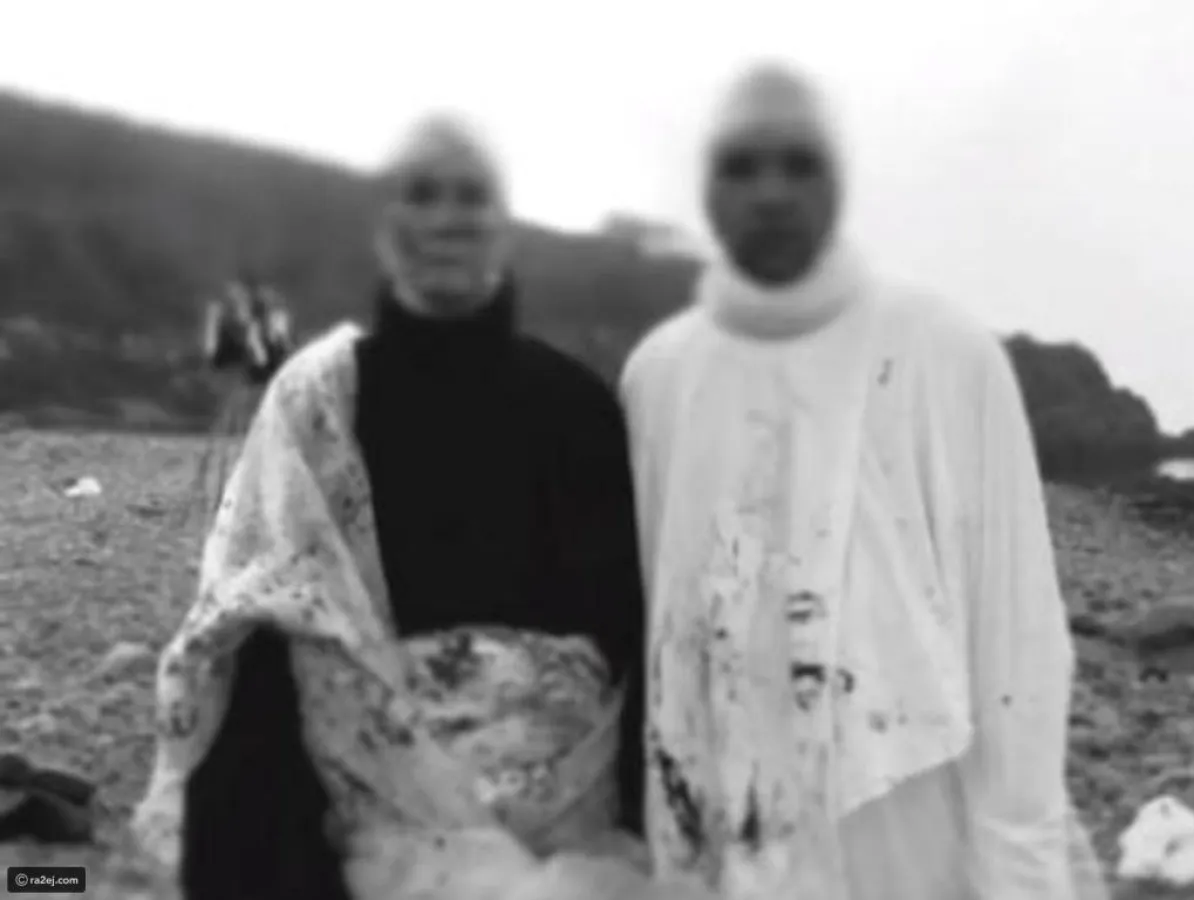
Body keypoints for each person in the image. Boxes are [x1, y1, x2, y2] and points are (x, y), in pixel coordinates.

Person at [620, 62, 1111, 899]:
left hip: (909, 807)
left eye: (799, 163)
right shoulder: (659, 373)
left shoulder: (944, 347)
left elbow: (1017, 629)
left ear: (839, 178)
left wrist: (1020, 857)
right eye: (742, 166)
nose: (771, 193)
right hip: (731, 812)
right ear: (707, 187)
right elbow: (661, 626)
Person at [133, 113, 648, 900]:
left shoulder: (576, 406)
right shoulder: (318, 400)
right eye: (422, 194)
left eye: (470, 196)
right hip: (350, 807)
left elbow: (627, 632)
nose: (446, 219)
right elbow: (260, 616)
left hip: (566, 822)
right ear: (384, 226)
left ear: (503, 226)